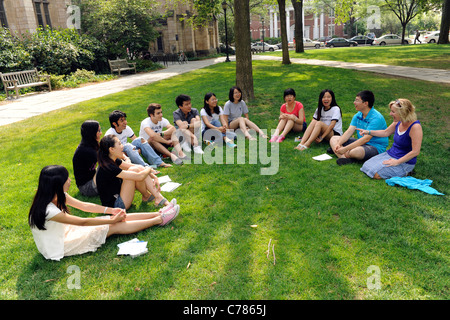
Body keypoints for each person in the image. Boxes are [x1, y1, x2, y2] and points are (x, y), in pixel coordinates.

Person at [28, 165, 179, 261]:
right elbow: (82, 221)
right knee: (112, 226)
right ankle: (160, 219)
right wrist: (110, 220)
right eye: (66, 178)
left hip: (65, 233)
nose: (70, 180)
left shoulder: (58, 195)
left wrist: (111, 211)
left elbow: (85, 206)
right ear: (57, 183)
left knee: (113, 219)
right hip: (60, 246)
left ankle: (158, 213)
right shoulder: (48, 209)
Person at [96, 135, 170, 209]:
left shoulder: (112, 159)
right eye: (119, 144)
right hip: (117, 205)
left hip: (120, 196)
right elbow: (140, 177)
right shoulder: (109, 167)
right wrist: (149, 169)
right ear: (111, 149)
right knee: (134, 171)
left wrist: (153, 176)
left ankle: (151, 197)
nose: (122, 146)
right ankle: (158, 198)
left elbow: (137, 167)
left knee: (135, 169)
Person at [360, 99, 422, 179]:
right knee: (366, 166)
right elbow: (385, 132)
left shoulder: (415, 127)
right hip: (390, 154)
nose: (390, 114)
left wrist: (397, 162)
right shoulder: (398, 122)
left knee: (376, 174)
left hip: (405, 162)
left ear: (402, 113)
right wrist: (368, 132)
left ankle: (407, 171)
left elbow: (415, 151)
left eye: (393, 112)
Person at [329, 90, 389, 166]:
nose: (354, 102)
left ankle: (344, 153)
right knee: (334, 138)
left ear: (365, 103)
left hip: (375, 147)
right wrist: (339, 143)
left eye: (357, 100)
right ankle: (345, 158)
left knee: (355, 152)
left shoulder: (376, 118)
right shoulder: (358, 115)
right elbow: (349, 131)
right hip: (360, 143)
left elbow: (366, 139)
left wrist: (345, 148)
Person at [105, 110, 171, 168]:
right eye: (122, 121)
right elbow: (111, 153)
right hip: (120, 152)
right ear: (114, 124)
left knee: (140, 139)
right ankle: (145, 167)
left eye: (125, 119)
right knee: (128, 146)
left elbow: (135, 140)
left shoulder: (127, 128)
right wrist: (129, 152)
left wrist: (136, 150)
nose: (125, 122)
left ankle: (159, 163)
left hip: (128, 148)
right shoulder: (110, 134)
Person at [72, 120, 102, 197]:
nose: (101, 133)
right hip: (87, 187)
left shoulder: (91, 144)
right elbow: (108, 162)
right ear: (91, 133)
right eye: (98, 131)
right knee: (105, 167)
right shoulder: (86, 151)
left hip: (92, 179)